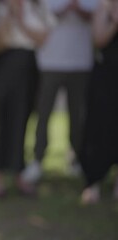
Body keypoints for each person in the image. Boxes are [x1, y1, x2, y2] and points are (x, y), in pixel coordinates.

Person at [21, 0, 96, 185]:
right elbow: (41, 16)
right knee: (43, 113)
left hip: (81, 62)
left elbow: (96, 17)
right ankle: (38, 159)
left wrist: (77, 8)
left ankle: (76, 159)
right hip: (50, 61)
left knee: (78, 114)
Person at [0, 0, 55, 196]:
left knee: (23, 118)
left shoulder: (37, 6)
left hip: (28, 66)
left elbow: (42, 38)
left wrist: (21, 19)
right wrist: (10, 15)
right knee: (0, 119)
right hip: (3, 64)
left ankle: (18, 171)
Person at [79, 0, 118, 204]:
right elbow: (98, 39)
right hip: (106, 76)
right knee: (99, 127)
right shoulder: (104, 7)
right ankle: (92, 180)